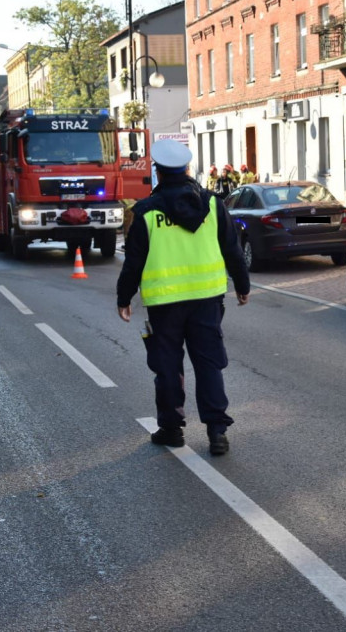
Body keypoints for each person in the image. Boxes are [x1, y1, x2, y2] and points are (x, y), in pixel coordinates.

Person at [116, 139, 250, 456]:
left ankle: (172, 430)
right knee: (208, 365)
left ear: (158, 173)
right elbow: (232, 248)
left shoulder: (145, 212)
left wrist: (124, 298)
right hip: (207, 299)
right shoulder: (213, 205)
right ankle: (217, 432)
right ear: (188, 169)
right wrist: (242, 285)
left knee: (167, 367)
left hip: (165, 304)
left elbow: (133, 261)